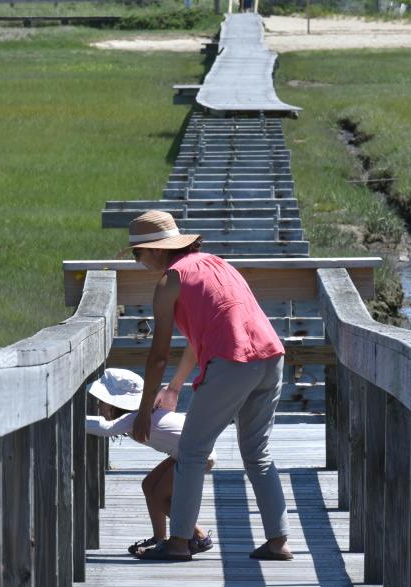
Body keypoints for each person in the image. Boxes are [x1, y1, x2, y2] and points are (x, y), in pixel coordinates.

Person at [129, 210, 292, 562]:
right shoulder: (218, 264)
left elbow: (158, 354)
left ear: (156, 250)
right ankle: (279, 541)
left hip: (234, 364)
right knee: (257, 453)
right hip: (271, 356)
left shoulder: (169, 281)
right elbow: (200, 337)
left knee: (191, 451)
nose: (137, 261)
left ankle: (178, 544)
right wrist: (174, 387)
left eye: (137, 253)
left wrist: (144, 412)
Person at [86, 368, 216, 556]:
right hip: (192, 451)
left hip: (198, 455)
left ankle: (200, 536)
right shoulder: (142, 413)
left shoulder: (134, 417)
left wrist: (75, 420)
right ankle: (159, 538)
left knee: (159, 496)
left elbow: (106, 428)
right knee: (149, 485)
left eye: (103, 402)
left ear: (116, 403)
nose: (99, 406)